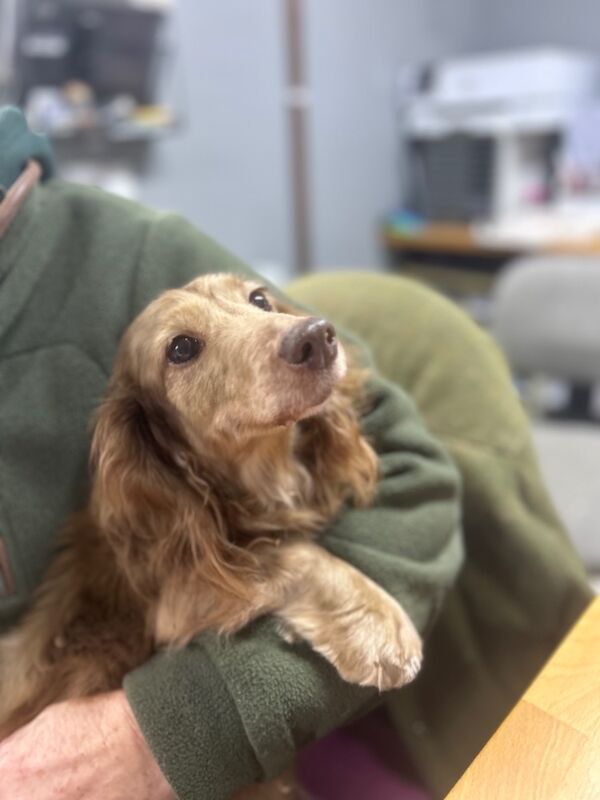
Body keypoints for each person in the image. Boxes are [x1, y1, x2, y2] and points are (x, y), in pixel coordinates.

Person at [0, 107, 592, 800]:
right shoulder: (141, 489)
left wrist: (160, 734)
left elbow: (407, 475)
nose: (284, 328)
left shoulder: (123, 252)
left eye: (259, 300)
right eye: (186, 350)